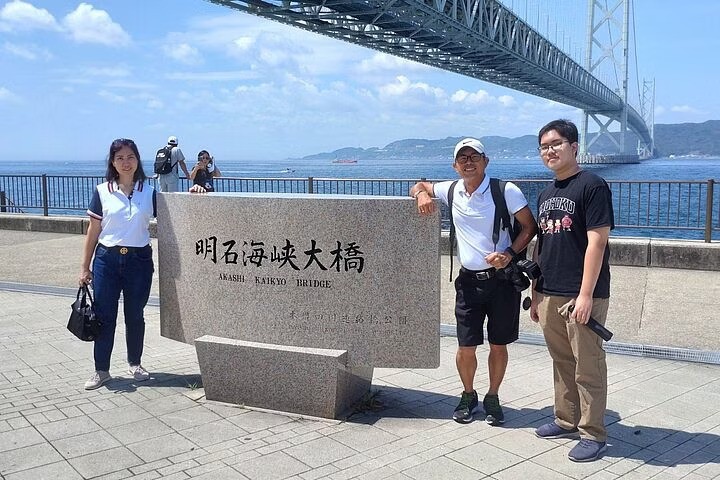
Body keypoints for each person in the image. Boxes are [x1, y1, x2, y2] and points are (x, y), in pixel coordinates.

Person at [410, 138, 537, 425]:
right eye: (462, 158)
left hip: (502, 281)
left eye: (474, 157)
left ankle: (493, 396)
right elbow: (419, 185)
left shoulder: (506, 190)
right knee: (465, 345)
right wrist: (421, 195)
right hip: (467, 282)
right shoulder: (451, 189)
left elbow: (530, 226)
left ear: (485, 161)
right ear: (455, 165)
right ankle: (468, 394)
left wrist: (509, 253)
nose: (469, 162)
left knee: (498, 344)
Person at [530, 119, 614, 462]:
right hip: (549, 290)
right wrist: (536, 292)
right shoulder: (546, 194)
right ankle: (566, 419)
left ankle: (593, 433)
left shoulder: (592, 186)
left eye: (556, 144)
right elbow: (541, 246)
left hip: (581, 293)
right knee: (562, 361)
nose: (549, 151)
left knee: (588, 365)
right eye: (544, 146)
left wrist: (586, 295)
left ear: (574, 147)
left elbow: (597, 243)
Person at [79, 138, 156, 390]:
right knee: (105, 317)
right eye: (120, 158)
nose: (126, 162)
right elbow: (93, 230)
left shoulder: (149, 192)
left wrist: (196, 190)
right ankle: (101, 370)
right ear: (112, 162)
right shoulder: (103, 191)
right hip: (107, 260)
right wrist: (84, 267)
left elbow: (175, 212)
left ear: (138, 160)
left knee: (135, 315)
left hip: (139, 261)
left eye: (130, 157)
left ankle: (135, 363)